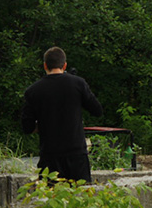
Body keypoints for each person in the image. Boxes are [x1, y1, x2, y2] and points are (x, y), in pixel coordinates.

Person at [21, 46, 103, 182]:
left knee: (51, 199)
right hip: (76, 154)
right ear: (64, 65)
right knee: (81, 198)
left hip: (50, 155)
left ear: (45, 65)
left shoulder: (33, 91)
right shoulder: (78, 83)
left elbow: (27, 127)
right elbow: (97, 111)